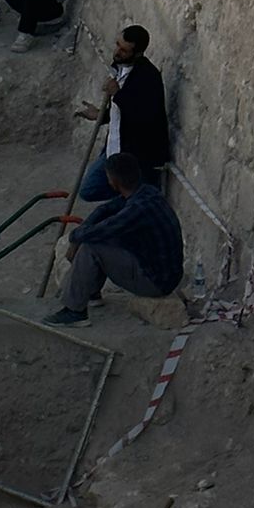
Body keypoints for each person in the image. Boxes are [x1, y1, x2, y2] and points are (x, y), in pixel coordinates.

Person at [49, 152, 184, 326]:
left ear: (113, 181)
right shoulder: (147, 192)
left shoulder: (137, 209)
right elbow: (104, 210)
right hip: (163, 272)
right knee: (102, 239)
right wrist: (83, 231)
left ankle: (74, 312)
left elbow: (105, 228)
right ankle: (91, 293)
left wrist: (76, 238)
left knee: (93, 247)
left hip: (157, 282)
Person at [78, 26, 171, 200]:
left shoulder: (148, 78)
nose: (117, 52)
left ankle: (128, 202)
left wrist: (118, 94)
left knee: (136, 198)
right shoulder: (120, 67)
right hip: (115, 146)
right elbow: (122, 112)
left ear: (137, 53)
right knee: (89, 190)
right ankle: (124, 200)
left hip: (136, 155)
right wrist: (100, 115)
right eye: (117, 45)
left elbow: (143, 118)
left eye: (124, 50)